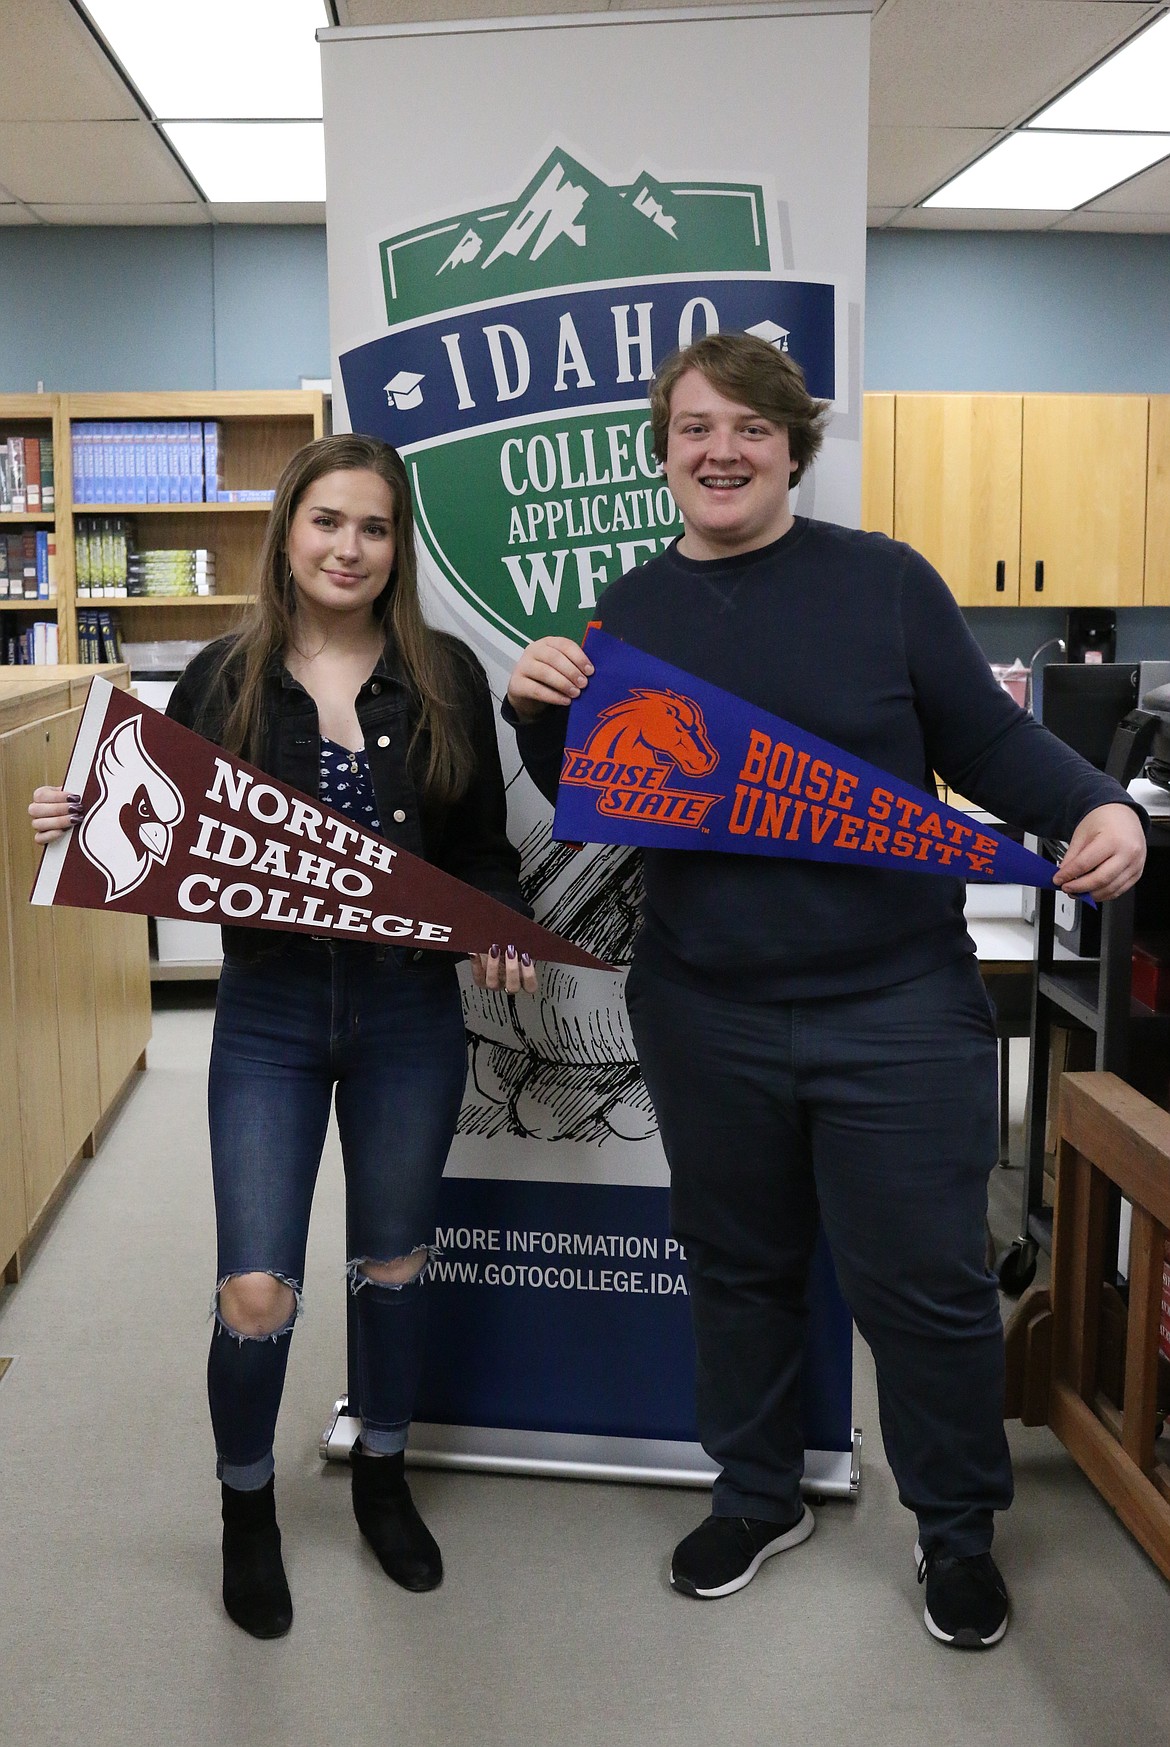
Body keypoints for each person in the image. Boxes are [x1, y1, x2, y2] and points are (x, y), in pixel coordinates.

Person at [503, 332, 1146, 1650]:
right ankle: (755, 1492)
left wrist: (1097, 804)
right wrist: (535, 704)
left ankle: (954, 1532)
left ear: (791, 443)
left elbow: (987, 740)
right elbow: (599, 783)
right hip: (704, 1007)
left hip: (897, 1006)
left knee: (922, 1281)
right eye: (692, 428)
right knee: (738, 1266)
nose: (720, 450)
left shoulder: (884, 584)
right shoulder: (630, 608)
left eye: (748, 426)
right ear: (662, 451)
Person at [30, 433, 537, 1640]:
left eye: (373, 527)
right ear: (288, 534)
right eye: (326, 522)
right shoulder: (221, 675)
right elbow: (168, 834)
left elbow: (479, 852)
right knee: (257, 1286)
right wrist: (83, 819)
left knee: (396, 1268)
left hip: (411, 1011)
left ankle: (381, 1473)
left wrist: (502, 924)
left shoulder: (447, 675)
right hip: (268, 1012)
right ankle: (246, 1506)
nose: (348, 547)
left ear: (395, 544)